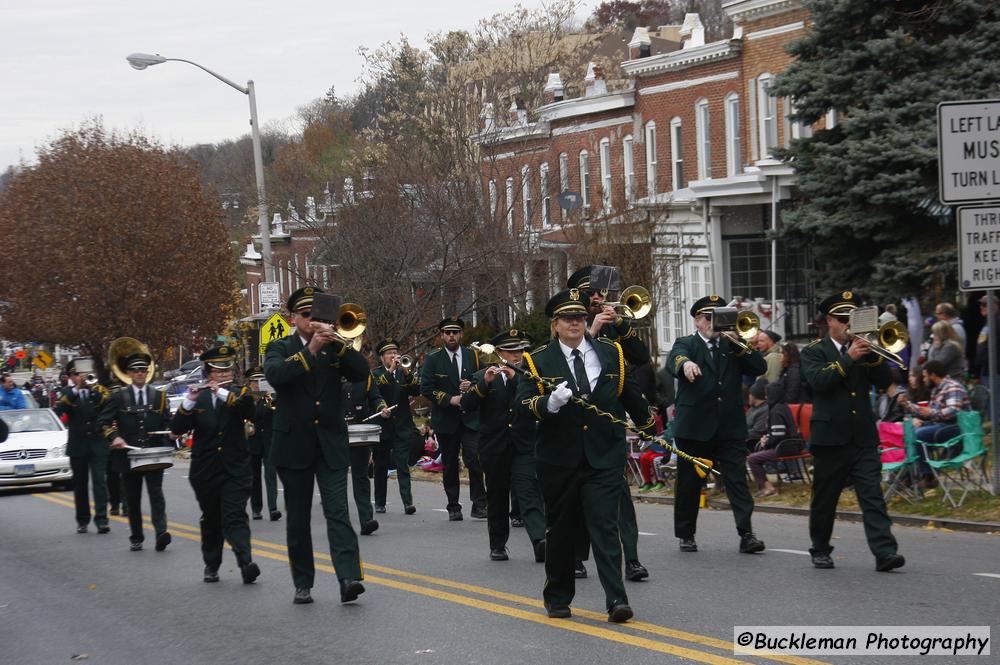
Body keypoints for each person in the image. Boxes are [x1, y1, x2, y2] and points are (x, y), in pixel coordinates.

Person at [516, 289, 655, 624]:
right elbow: (522, 406)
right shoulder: (537, 360)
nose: (575, 323)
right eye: (567, 318)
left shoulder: (610, 352)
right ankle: (558, 596)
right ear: (555, 325)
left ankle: (616, 600)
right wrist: (548, 404)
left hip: (604, 455)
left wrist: (649, 427)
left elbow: (629, 394)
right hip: (559, 459)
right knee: (562, 530)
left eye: (579, 317)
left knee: (605, 526)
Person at [263, 286, 368, 605]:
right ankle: (303, 583)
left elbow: (362, 372)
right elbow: (275, 375)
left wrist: (339, 345)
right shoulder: (278, 347)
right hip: (293, 445)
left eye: (317, 315)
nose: (313, 321)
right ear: (293, 318)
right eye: (306, 316)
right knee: (298, 517)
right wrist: (310, 351)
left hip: (331, 443)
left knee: (338, 512)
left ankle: (348, 577)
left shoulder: (333, 347)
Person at [800, 291, 904, 572]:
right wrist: (848, 358)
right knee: (825, 498)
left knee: (872, 495)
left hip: (862, 437)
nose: (848, 324)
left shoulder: (865, 350)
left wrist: (874, 356)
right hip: (830, 438)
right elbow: (819, 383)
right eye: (843, 319)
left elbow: (884, 381)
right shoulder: (813, 351)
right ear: (830, 321)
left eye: (853, 318)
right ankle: (820, 548)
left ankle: (885, 552)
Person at [566, 266, 650, 582]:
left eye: (600, 293)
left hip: (609, 422)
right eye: (592, 294)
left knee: (620, 499)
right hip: (576, 425)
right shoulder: (566, 328)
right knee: (578, 498)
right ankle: (576, 556)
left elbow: (641, 358)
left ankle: (632, 560)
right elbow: (565, 363)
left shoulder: (613, 323)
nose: (599, 298)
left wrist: (623, 327)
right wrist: (592, 332)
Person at [667, 295, 768, 554]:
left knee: (737, 480)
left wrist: (737, 341)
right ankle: (686, 534)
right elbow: (676, 359)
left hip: (729, 426)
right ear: (697, 321)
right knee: (689, 483)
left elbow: (759, 366)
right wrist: (686, 364)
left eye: (718, 317)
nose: (713, 323)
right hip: (695, 427)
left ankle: (747, 534)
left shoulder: (731, 345)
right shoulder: (687, 343)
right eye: (708, 317)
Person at [171, 345, 260, 584]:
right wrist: (188, 402)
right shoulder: (196, 396)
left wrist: (221, 393)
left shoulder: (239, 392)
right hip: (205, 470)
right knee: (211, 519)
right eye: (217, 371)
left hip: (235, 468)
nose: (222, 375)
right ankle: (212, 564)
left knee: (234, 516)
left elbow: (249, 411)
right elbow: (176, 429)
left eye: (226, 370)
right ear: (207, 372)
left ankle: (246, 563)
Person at [460, 329, 546, 563]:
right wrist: (484, 385)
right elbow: (467, 405)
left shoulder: (528, 376)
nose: (516, 356)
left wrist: (515, 377)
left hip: (523, 444)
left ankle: (540, 540)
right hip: (494, 446)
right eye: (510, 351)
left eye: (519, 351)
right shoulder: (482, 376)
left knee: (528, 491)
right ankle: (497, 545)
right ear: (499, 353)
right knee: (497, 497)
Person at [98, 352, 172, 552]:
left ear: (147, 373)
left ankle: (161, 533)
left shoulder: (160, 396)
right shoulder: (118, 397)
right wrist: (115, 438)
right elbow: (103, 422)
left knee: (156, 494)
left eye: (143, 370)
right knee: (133, 498)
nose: (140, 373)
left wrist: (172, 433)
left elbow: (167, 422)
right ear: (129, 374)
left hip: (154, 453)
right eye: (136, 370)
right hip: (128, 455)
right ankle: (136, 536)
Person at [418, 317, 486, 521]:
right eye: (447, 332)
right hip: (446, 419)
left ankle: (479, 503)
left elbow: (483, 378)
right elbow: (426, 388)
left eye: (455, 332)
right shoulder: (433, 358)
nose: (451, 336)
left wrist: (471, 385)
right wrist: (449, 399)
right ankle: (453, 505)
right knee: (449, 463)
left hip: (470, 418)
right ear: (441, 335)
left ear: (461, 334)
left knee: (474, 458)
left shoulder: (472, 355)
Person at [54, 360, 111, 534]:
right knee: (80, 484)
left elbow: (107, 406)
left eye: (83, 374)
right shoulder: (66, 393)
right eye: (77, 375)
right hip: (78, 445)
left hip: (97, 443)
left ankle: (102, 519)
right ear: (71, 377)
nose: (82, 377)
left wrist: (91, 390)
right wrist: (76, 390)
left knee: (100, 482)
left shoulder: (98, 390)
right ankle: (82, 520)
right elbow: (60, 409)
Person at [898, 359, 972, 487]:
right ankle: (908, 475)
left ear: (933, 375)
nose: (924, 379)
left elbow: (953, 410)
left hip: (957, 427)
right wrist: (907, 405)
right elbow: (927, 412)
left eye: (925, 376)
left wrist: (932, 412)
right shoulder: (937, 389)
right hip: (942, 425)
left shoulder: (952, 386)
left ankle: (928, 476)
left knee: (919, 435)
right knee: (908, 433)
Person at [371, 339, 421, 515]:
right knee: (381, 465)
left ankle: (408, 503)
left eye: (395, 352)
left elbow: (417, 390)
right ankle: (380, 502)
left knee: (402, 465)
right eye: (389, 353)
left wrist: (407, 372)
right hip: (383, 427)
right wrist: (390, 371)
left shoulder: (403, 373)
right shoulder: (376, 374)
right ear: (382, 357)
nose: (394, 356)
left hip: (402, 426)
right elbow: (374, 391)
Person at [341, 372, 390, 535]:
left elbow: (375, 396)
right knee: (338, 478)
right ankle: (341, 522)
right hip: (336, 432)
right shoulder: (329, 370)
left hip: (359, 431)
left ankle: (366, 520)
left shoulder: (364, 375)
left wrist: (381, 407)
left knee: (361, 476)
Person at [746, 381, 799, 497]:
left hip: (785, 447)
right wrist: (768, 437)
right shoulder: (782, 407)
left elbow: (778, 434)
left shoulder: (776, 411)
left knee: (752, 459)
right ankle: (765, 487)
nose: (765, 397)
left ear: (773, 394)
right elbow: (778, 433)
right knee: (755, 457)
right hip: (790, 445)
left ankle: (768, 488)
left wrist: (767, 441)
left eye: (767, 394)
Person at [246, 367, 281, 522]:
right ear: (250, 383)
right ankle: (256, 509)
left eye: (261, 381)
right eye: (255, 381)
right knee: (254, 477)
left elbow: (278, 413)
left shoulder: (271, 397)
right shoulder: (246, 398)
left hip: (269, 440)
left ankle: (273, 508)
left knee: (270, 474)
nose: (257, 384)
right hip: (253, 442)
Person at [745, 379, 770, 450]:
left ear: (754, 396)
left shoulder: (765, 410)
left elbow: (757, 433)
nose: (748, 396)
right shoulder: (752, 408)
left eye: (750, 394)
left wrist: (737, 434)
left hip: (751, 444)